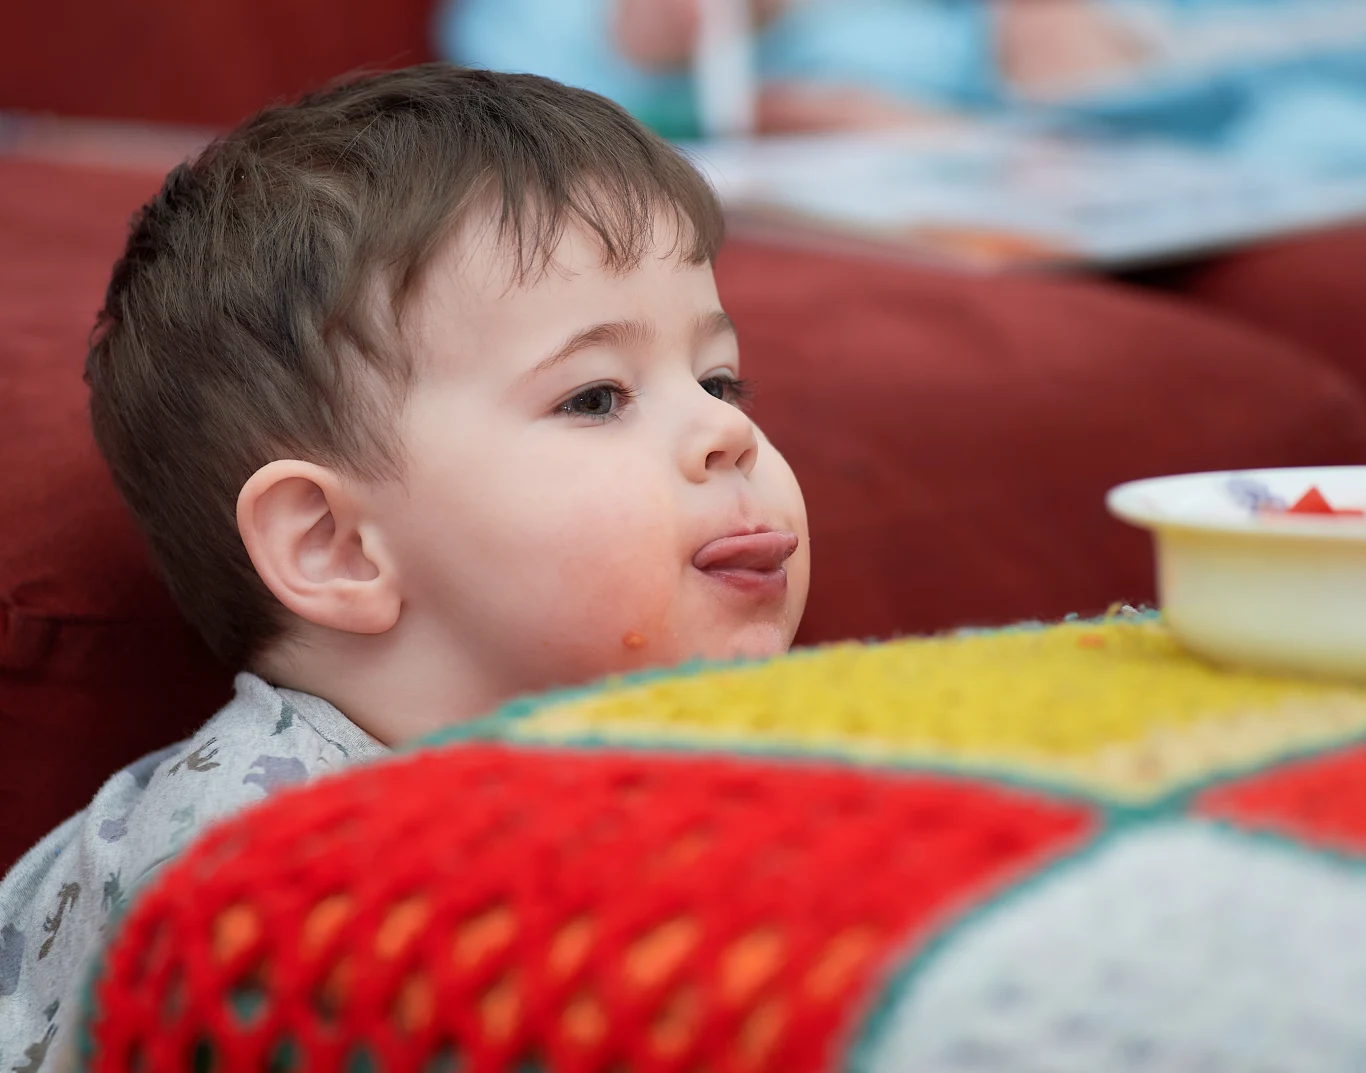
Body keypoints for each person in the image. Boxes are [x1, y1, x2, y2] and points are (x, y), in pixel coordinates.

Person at [0, 64, 809, 1069]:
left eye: (718, 376)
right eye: (595, 396)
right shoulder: (275, 889)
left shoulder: (712, 748)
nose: (728, 431)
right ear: (336, 545)